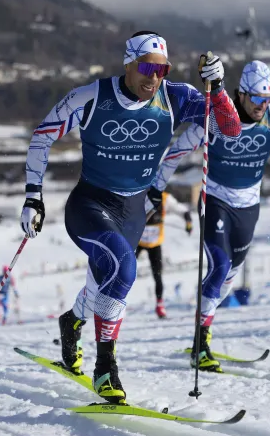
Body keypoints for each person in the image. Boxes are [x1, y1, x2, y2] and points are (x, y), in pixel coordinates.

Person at [19, 31, 241, 403]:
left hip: (133, 210)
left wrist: (217, 89)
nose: (152, 78)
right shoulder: (91, 97)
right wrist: (33, 197)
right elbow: (42, 136)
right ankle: (105, 367)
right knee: (123, 269)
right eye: (145, 68)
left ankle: (71, 321)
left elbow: (230, 130)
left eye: (161, 70)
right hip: (90, 203)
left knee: (102, 284)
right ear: (128, 63)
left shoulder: (176, 97)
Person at [151, 60, 270, 372]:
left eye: (267, 98)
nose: (262, 105)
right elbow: (177, 151)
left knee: (229, 277)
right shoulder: (218, 115)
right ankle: (201, 341)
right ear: (241, 95)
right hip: (215, 200)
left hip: (249, 207)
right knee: (219, 267)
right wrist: (156, 187)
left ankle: (203, 323)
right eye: (257, 99)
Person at [136, 191, 193, 319]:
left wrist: (188, 221)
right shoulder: (139, 195)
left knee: (158, 275)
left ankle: (160, 305)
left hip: (155, 242)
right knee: (124, 270)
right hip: (137, 241)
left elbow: (182, 210)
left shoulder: (165, 198)